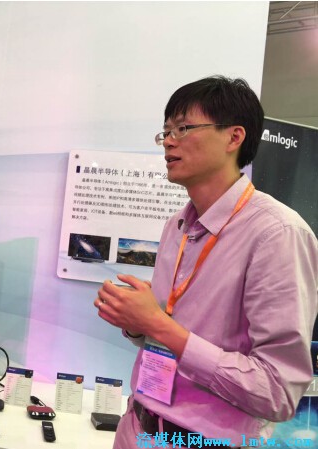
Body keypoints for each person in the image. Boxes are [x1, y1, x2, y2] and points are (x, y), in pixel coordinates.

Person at [94, 76, 318, 448]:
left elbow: (277, 391)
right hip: (137, 427)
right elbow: (170, 332)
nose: (169, 141)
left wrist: (159, 325)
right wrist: (137, 323)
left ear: (234, 137)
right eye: (166, 131)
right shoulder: (177, 225)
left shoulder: (277, 234)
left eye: (183, 128)